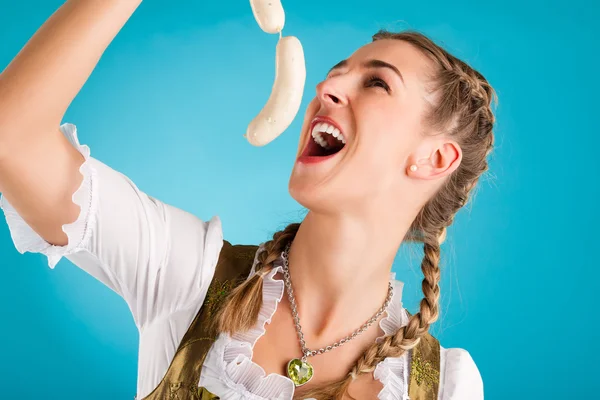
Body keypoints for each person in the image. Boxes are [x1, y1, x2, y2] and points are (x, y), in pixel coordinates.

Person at [0, 1, 494, 399]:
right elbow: (11, 136)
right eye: (337, 72)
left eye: (377, 83)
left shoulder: (442, 387)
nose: (326, 86)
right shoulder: (186, 274)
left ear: (433, 159)